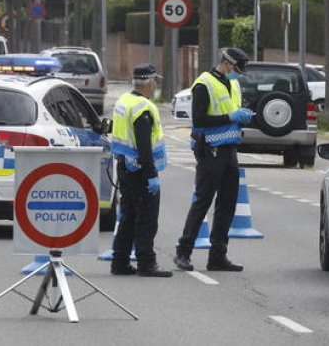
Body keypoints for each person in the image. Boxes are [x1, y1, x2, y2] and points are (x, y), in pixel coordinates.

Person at [173, 47, 255, 272]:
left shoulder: (234, 84)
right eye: (236, 69)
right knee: (203, 200)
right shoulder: (204, 83)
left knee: (227, 203)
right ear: (227, 64)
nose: (237, 74)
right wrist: (230, 117)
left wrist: (242, 117)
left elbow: (232, 111)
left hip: (229, 149)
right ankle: (184, 251)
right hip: (210, 149)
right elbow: (199, 119)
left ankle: (218, 255)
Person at [109, 63, 173, 277]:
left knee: (127, 216)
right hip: (140, 171)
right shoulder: (142, 108)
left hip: (125, 168)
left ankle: (120, 262)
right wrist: (152, 175)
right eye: (155, 81)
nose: (156, 85)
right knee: (146, 218)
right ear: (150, 82)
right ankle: (147, 263)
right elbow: (144, 146)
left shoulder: (124, 101)